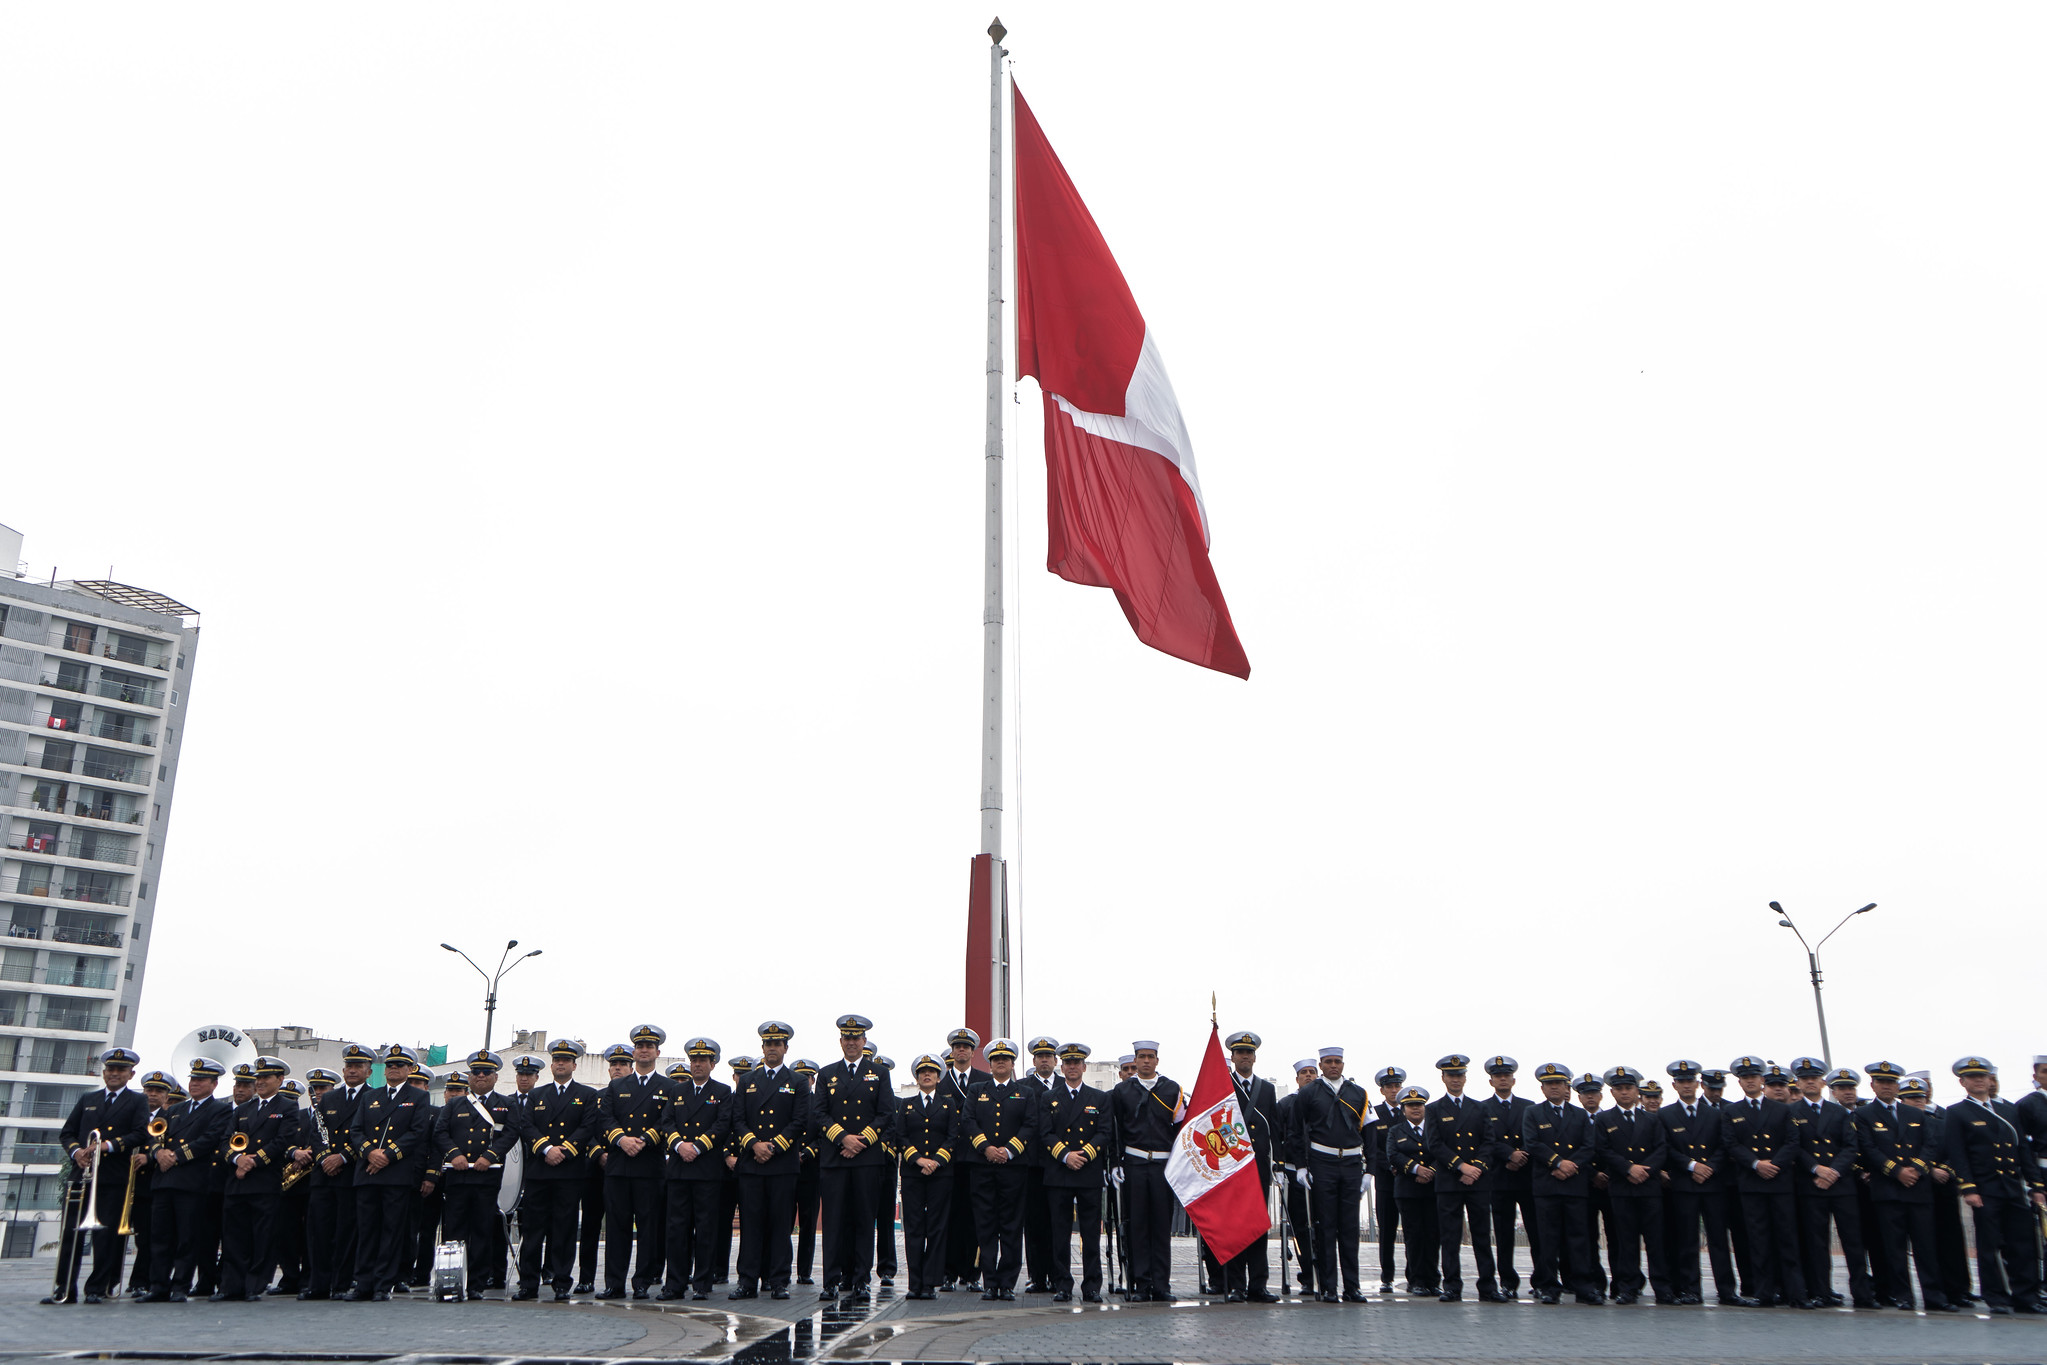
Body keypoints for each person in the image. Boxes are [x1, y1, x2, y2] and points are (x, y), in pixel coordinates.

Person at [1941, 1056, 2043, 1314]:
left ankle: (2026, 1296)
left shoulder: (2009, 1110)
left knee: (2023, 1243)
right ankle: (1996, 1296)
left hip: (2012, 1186)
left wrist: (2037, 1186)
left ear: (1990, 1080)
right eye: (1972, 1077)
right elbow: (1958, 1153)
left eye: (1983, 1076)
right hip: (1985, 1188)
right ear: (1963, 1082)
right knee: (1990, 1245)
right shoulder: (1957, 1112)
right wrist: (1969, 1188)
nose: (1979, 1081)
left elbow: (2023, 1150)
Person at [1855, 1061, 1958, 1312]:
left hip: (1918, 1190)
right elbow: (1868, 1150)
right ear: (1873, 1085)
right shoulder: (1863, 1115)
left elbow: (1930, 1145)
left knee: (1926, 1246)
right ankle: (1903, 1296)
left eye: (1891, 1082)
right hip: (1888, 1190)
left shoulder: (1915, 1114)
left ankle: (1934, 1297)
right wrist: (1897, 1171)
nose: (1887, 1087)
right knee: (1895, 1248)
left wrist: (1917, 1168)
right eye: (1882, 1082)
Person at [50, 1046, 146, 1304]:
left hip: (112, 1178)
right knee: (71, 1234)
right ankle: (64, 1288)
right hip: (81, 1175)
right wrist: (76, 1152)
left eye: (121, 1070)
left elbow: (140, 1134)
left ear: (131, 1074)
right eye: (110, 1069)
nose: (114, 1073)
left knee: (104, 1237)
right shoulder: (87, 1099)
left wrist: (108, 1145)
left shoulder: (138, 1101)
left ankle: (96, 1288)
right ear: (104, 1072)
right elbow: (67, 1133)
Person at [435, 1051, 532, 1301]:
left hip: (487, 1176)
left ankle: (477, 1283)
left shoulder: (506, 1104)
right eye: (476, 1072)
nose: (480, 1076)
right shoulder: (455, 1104)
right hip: (457, 1175)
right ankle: (452, 1281)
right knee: (453, 1230)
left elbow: (511, 1133)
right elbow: (440, 1132)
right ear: (469, 1076)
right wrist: (454, 1154)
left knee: (481, 1230)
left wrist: (489, 1155)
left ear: (495, 1077)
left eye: (486, 1072)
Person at [812, 1014, 895, 1304]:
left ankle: (861, 1280)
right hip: (835, 1158)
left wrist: (859, 1142)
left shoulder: (879, 1073)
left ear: (864, 1041)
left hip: (866, 1159)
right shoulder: (826, 1074)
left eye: (856, 1038)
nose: (851, 1043)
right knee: (834, 1221)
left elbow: (886, 1113)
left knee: (863, 1220)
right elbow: (819, 1113)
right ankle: (832, 1281)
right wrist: (842, 1138)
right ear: (840, 1041)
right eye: (846, 1038)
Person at [728, 1021, 810, 1301]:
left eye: (777, 1044)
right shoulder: (748, 1081)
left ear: (786, 1048)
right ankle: (747, 1281)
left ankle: (779, 1281)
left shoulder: (798, 1081)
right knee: (750, 1225)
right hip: (752, 1164)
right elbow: (737, 1119)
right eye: (768, 1044)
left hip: (782, 1164)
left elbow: (800, 1121)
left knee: (780, 1225)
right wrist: (754, 1144)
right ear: (762, 1048)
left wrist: (774, 1146)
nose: (772, 1048)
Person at [513, 1039, 600, 1302]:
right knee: (532, 1230)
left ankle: (562, 1282)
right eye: (556, 1060)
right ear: (551, 1065)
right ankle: (528, 1283)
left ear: (574, 1065)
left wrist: (565, 1150)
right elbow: (526, 1126)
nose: (560, 1064)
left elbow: (588, 1128)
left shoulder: (587, 1095)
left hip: (569, 1171)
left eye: (565, 1060)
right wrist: (545, 1149)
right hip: (539, 1172)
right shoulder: (537, 1095)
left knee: (564, 1229)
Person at [344, 1046, 433, 1301]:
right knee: (367, 1230)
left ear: (409, 1069)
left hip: (396, 1174)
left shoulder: (418, 1096)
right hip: (368, 1172)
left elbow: (416, 1133)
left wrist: (387, 1156)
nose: (394, 1069)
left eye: (400, 1065)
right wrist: (370, 1152)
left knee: (391, 1231)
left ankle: (383, 1284)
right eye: (390, 1065)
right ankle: (363, 1283)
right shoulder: (370, 1096)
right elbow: (356, 1130)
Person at [141, 1058, 231, 1302]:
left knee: (187, 1237)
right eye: (193, 1079)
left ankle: (180, 1285)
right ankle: (158, 1286)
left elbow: (210, 1139)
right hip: (164, 1180)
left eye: (201, 1080)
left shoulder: (220, 1110)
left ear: (213, 1084)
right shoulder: (175, 1110)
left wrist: (176, 1156)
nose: (194, 1084)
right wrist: (158, 1153)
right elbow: (154, 1136)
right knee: (160, 1237)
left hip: (192, 1182)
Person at [594, 1024, 674, 1299]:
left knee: (649, 1227)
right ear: (634, 1052)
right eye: (639, 1046)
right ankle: (614, 1283)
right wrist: (621, 1140)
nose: (643, 1051)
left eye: (648, 1046)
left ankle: (642, 1282)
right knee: (617, 1227)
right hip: (619, 1166)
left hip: (650, 1166)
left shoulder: (669, 1087)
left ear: (657, 1051)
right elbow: (605, 1118)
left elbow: (668, 1121)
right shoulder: (616, 1086)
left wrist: (644, 1140)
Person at [1783, 1056, 1869, 1309]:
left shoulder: (1839, 1112)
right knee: (1816, 1243)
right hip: (1811, 1185)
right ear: (1797, 1083)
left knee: (1853, 1242)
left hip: (1840, 1185)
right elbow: (1793, 1146)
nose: (1810, 1083)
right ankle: (1822, 1291)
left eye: (1814, 1079)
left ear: (1822, 1082)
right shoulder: (1791, 1112)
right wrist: (1816, 1168)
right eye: (1804, 1079)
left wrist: (1833, 1171)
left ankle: (1862, 1294)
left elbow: (1850, 1146)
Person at [1287, 1046, 1370, 1303]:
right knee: (1325, 1227)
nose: (1334, 1066)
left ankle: (1352, 1287)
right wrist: (1301, 1166)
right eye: (1329, 1062)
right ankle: (1329, 1286)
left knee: (1349, 1228)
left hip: (1352, 1163)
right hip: (1322, 1162)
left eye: (1338, 1062)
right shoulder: (1310, 1093)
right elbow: (1295, 1130)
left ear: (1343, 1064)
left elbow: (1371, 1132)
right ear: (1321, 1065)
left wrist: (1371, 1171)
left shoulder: (1358, 1093)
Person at [1658, 1060, 1745, 1306]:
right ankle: (1690, 1289)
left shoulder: (1717, 1114)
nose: (1686, 1086)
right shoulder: (1666, 1115)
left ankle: (1727, 1290)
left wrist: (1709, 1167)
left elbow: (1724, 1145)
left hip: (1712, 1184)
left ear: (1698, 1084)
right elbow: (1665, 1148)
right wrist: (1692, 1166)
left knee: (1718, 1239)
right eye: (1681, 1082)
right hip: (1685, 1184)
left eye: (1690, 1081)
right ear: (1674, 1085)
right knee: (1687, 1240)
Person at [213, 1056, 298, 1302]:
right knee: (234, 1237)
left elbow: (282, 1141)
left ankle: (254, 1284)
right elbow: (225, 1140)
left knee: (262, 1235)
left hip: (264, 1181)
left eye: (266, 1078)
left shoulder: (286, 1107)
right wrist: (237, 1160)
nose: (260, 1082)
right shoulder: (243, 1109)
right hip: (237, 1181)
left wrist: (253, 1161)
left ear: (279, 1080)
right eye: (258, 1078)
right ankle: (231, 1286)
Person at [1424, 1054, 1506, 1303]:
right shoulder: (1434, 1109)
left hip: (1478, 1181)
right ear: (1443, 1078)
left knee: (1482, 1235)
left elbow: (1488, 1141)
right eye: (1451, 1075)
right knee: (1450, 1237)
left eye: (1459, 1075)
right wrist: (1461, 1167)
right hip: (1449, 1181)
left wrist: (1476, 1169)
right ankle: (1451, 1286)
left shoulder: (1480, 1108)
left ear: (1465, 1078)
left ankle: (1488, 1286)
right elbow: (1434, 1145)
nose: (1455, 1080)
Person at [658, 1037, 731, 1301]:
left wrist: (697, 1147)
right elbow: (666, 1122)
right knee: (677, 1229)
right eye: (694, 1060)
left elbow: (723, 1126)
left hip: (706, 1170)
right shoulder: (676, 1092)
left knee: (705, 1228)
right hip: (679, 1169)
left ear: (713, 1064)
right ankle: (674, 1284)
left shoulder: (722, 1092)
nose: (697, 1064)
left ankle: (702, 1283)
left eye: (703, 1060)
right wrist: (679, 1145)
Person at [1590, 1066, 1671, 1304]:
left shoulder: (1652, 1119)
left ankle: (1662, 1287)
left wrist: (1645, 1169)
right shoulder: (1605, 1119)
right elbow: (1602, 1150)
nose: (1625, 1093)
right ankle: (1628, 1286)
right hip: (1622, 1187)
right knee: (1626, 1241)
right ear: (1612, 1092)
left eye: (1629, 1088)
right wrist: (1628, 1168)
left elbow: (1662, 1148)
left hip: (1648, 1186)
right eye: (1619, 1089)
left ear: (1637, 1091)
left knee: (1656, 1240)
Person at [966, 1038, 1038, 1300]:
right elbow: (968, 1121)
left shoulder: (1025, 1093)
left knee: (1011, 1226)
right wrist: (986, 1148)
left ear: (1012, 1064)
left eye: (1005, 1059)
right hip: (982, 1167)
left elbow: (1030, 1124)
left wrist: (1008, 1150)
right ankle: (989, 1282)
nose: (1000, 1063)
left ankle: (1007, 1283)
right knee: (985, 1225)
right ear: (990, 1063)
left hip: (1013, 1167)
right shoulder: (977, 1090)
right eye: (996, 1059)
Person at [1523, 1061, 1601, 1304]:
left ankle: (1582, 1285)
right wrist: (1557, 1163)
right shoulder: (1533, 1113)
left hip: (1574, 1184)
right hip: (1547, 1185)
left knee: (1579, 1237)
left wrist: (1570, 1166)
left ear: (1566, 1086)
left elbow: (1589, 1146)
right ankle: (1548, 1285)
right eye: (1549, 1084)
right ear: (1542, 1089)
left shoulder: (1579, 1115)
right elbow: (1532, 1143)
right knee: (1548, 1238)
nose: (1554, 1087)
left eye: (1558, 1083)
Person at [1111, 1040, 1182, 1302]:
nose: (1146, 1061)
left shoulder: (1172, 1089)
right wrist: (1116, 1163)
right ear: (1136, 1059)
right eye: (1141, 1057)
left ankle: (1162, 1285)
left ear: (1157, 1061)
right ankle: (1141, 1284)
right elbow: (1115, 1129)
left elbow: (1180, 1129)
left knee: (1162, 1226)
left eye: (1151, 1057)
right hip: (1135, 1163)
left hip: (1163, 1165)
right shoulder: (1122, 1091)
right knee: (1137, 1226)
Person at [894, 1053, 963, 1300]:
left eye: (932, 1072)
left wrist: (936, 1161)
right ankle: (915, 1284)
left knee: (936, 1228)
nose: (927, 1075)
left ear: (938, 1077)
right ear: (916, 1076)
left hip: (940, 1174)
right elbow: (900, 1136)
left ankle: (931, 1283)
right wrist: (918, 1160)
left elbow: (953, 1135)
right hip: (913, 1174)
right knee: (914, 1228)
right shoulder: (907, 1104)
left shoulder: (948, 1104)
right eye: (923, 1072)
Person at [1216, 1031, 1279, 1303]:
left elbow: (1273, 1127)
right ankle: (1236, 1285)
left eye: (1249, 1053)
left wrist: (1278, 1163)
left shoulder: (1266, 1088)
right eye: (1240, 1053)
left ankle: (1258, 1284)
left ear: (1255, 1057)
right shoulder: (1222, 1084)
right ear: (1232, 1057)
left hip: (1258, 1168)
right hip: (1232, 1165)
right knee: (1234, 1227)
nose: (1245, 1057)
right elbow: (1217, 1123)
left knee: (1257, 1225)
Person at [939, 1028, 991, 1292]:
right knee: (949, 1217)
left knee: (975, 1217)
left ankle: (972, 1274)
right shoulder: (940, 1081)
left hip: (976, 1159)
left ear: (973, 1052)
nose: (961, 1050)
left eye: (966, 1047)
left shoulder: (985, 1080)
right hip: (947, 1160)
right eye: (957, 1046)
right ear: (951, 1051)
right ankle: (947, 1272)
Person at [1481, 1057, 1537, 1302]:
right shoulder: (1482, 1108)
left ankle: (1542, 1280)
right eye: (1498, 1076)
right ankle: (1508, 1282)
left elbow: (1535, 1136)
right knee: (1503, 1234)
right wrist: (1508, 1155)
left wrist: (1521, 1155)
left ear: (1514, 1079)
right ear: (1491, 1081)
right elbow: (1485, 1140)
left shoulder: (1529, 1107)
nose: (1503, 1079)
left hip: (1526, 1176)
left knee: (1536, 1232)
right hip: (1499, 1177)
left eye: (1507, 1075)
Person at [126, 1069, 178, 1297]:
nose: (152, 1095)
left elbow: (170, 1148)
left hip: (149, 1186)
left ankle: (140, 1280)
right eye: (149, 1090)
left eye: (159, 1091)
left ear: (167, 1096)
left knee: (147, 1237)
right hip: (123, 1183)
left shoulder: (170, 1118)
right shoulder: (130, 1114)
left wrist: (148, 1157)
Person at [1386, 1085, 1441, 1299]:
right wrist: (1416, 1169)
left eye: (1419, 1105)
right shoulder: (1396, 1131)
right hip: (1407, 1190)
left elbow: (1441, 1151)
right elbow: (1393, 1155)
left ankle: (1433, 1280)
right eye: (1410, 1106)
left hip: (1433, 1189)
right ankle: (1416, 1280)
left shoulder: (1434, 1129)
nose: (1415, 1109)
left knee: (1433, 1235)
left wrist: (1431, 1171)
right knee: (1414, 1236)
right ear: (1403, 1109)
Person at [1018, 1036, 1060, 1294]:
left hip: (1059, 1163)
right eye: (1040, 1056)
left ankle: (1058, 1275)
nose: (1045, 1060)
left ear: (1056, 1061)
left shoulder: (1068, 1085)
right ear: (1033, 1060)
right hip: (1032, 1165)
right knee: (1034, 1223)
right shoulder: (1022, 1086)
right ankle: (1037, 1276)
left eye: (1049, 1056)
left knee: (1058, 1223)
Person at [1273, 1060, 1319, 1296]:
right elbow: (1278, 1137)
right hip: (1293, 1172)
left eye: (1312, 1072)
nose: (1308, 1076)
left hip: (1322, 1170)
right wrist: (1279, 1167)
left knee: (1323, 1227)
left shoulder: (1324, 1101)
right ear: (1297, 1079)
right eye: (1304, 1073)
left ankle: (1323, 1274)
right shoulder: (1286, 1104)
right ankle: (1307, 1277)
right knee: (1300, 1227)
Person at [1368, 1066, 1406, 1294]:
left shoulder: (1412, 1110)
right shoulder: (1375, 1113)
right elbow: (1373, 1147)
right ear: (1382, 1090)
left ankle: (1414, 1275)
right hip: (1386, 1181)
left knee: (1412, 1230)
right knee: (1387, 1232)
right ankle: (1387, 1277)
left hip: (1409, 1180)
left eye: (1397, 1086)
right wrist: (1390, 1166)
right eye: (1389, 1087)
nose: (1394, 1091)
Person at [790, 1059, 822, 1286]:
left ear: (812, 1080)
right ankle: (779, 1271)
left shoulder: (818, 1103)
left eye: (807, 1078)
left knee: (809, 1224)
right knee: (782, 1222)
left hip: (811, 1170)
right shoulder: (786, 1100)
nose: (804, 1081)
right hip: (786, 1168)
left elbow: (825, 1134)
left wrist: (808, 1152)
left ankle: (804, 1271)